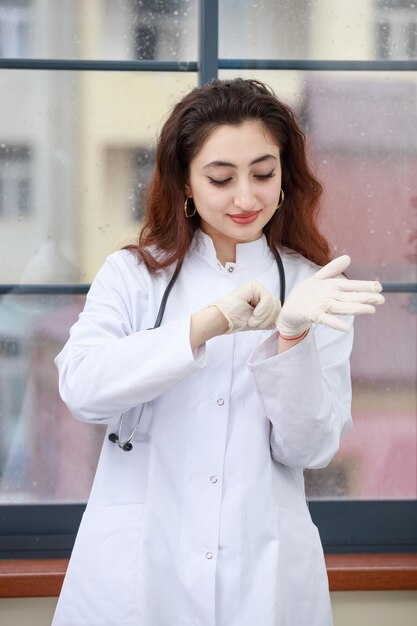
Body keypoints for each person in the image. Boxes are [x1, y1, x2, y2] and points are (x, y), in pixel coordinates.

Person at [52, 78, 384, 626]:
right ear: (184, 180)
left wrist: (293, 336)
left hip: (263, 569)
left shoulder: (314, 286)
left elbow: (312, 447)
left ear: (285, 178)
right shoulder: (133, 276)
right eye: (221, 178)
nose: (246, 197)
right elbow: (83, 389)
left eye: (263, 173)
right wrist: (206, 325)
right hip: (142, 567)